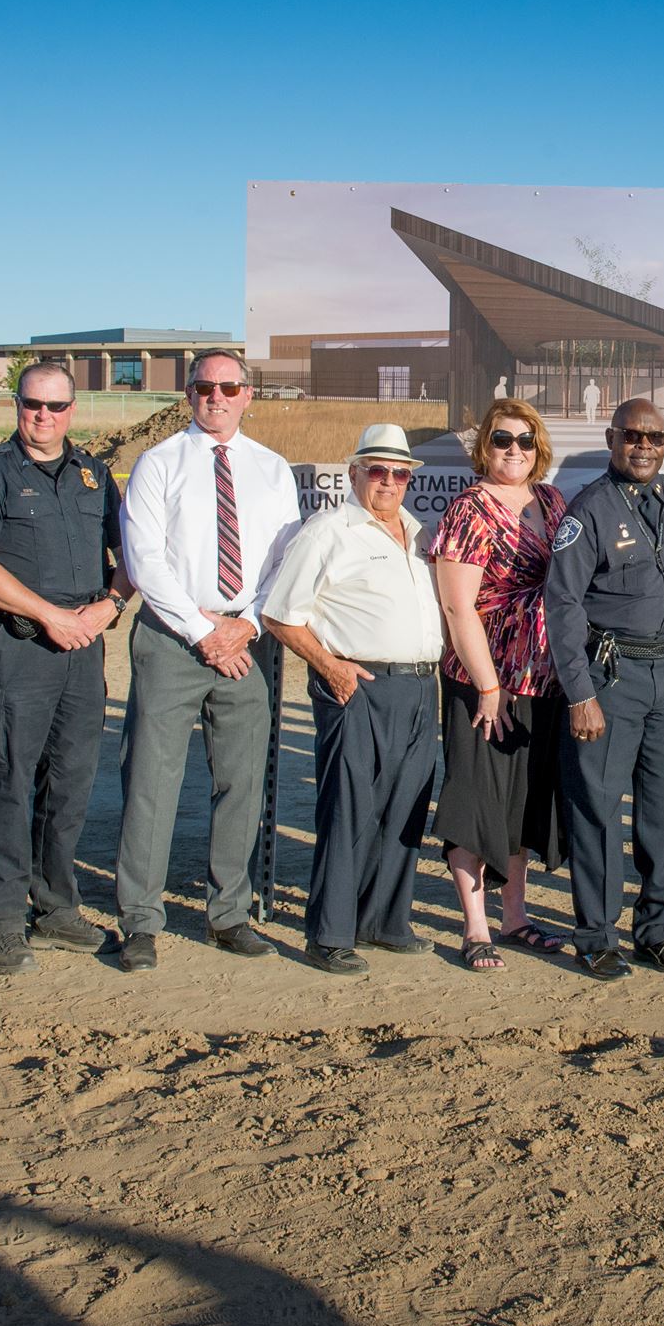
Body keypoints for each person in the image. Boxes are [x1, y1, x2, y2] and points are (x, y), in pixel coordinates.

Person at [0, 362, 131, 976]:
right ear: (16, 405)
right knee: (7, 782)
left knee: (70, 783)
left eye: (54, 406)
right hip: (16, 648)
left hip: (82, 648)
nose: (42, 416)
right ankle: (2, 919)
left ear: (74, 410)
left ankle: (55, 906)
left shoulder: (94, 475)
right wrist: (50, 615)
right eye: (31, 404)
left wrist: (112, 603)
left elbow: (131, 554)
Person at [113, 353, 301, 973]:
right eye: (203, 387)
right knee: (151, 782)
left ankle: (228, 915)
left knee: (242, 782)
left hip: (245, 643)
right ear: (189, 393)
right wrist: (203, 633)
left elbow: (283, 563)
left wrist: (243, 626)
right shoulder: (158, 463)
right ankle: (139, 921)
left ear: (248, 394)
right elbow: (144, 561)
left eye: (228, 387)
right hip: (173, 638)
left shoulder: (273, 471)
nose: (215, 397)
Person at [260, 426, 445, 975]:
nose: (388, 482)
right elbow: (278, 614)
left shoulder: (419, 533)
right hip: (357, 684)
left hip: (418, 684)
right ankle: (331, 933)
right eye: (377, 470)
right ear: (354, 472)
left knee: (405, 805)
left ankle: (385, 921)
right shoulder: (328, 531)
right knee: (349, 807)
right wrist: (330, 666)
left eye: (400, 473)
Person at [543, 397, 664, 980]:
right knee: (597, 806)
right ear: (613, 438)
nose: (644, 446)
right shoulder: (586, 510)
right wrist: (580, 692)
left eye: (656, 437)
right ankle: (595, 934)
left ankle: (658, 931)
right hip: (609, 679)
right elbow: (561, 604)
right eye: (633, 435)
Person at [429, 399, 569, 971]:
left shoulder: (553, 501)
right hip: (485, 681)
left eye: (526, 440)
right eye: (503, 439)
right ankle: (476, 927)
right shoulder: (467, 510)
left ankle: (515, 917)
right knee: (477, 799)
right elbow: (458, 608)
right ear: (484, 446)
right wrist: (489, 686)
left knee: (521, 804)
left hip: (544, 679)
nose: (515, 450)